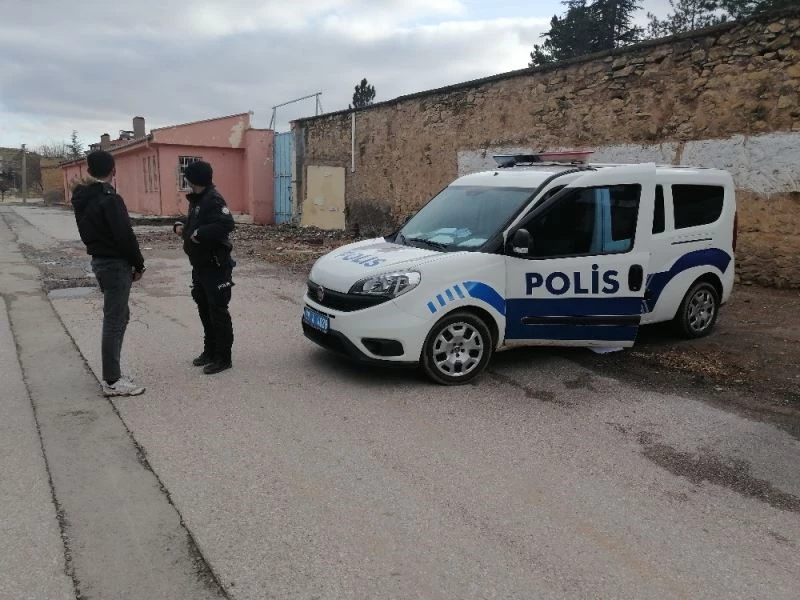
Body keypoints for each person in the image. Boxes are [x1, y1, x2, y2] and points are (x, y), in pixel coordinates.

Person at [71, 150, 146, 397]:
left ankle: (113, 375)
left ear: (89, 170)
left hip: (100, 260)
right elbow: (124, 235)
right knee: (115, 320)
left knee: (119, 315)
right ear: (113, 171)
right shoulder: (110, 198)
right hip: (116, 265)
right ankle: (112, 380)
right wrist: (138, 264)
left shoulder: (82, 196)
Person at [173, 161, 235, 374]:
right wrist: (181, 224)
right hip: (199, 265)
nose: (185, 180)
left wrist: (200, 234)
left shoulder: (213, 199)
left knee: (217, 310)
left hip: (215, 265)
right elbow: (196, 220)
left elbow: (226, 224)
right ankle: (210, 350)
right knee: (204, 307)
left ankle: (223, 357)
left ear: (193, 179)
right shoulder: (199, 199)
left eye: (187, 177)